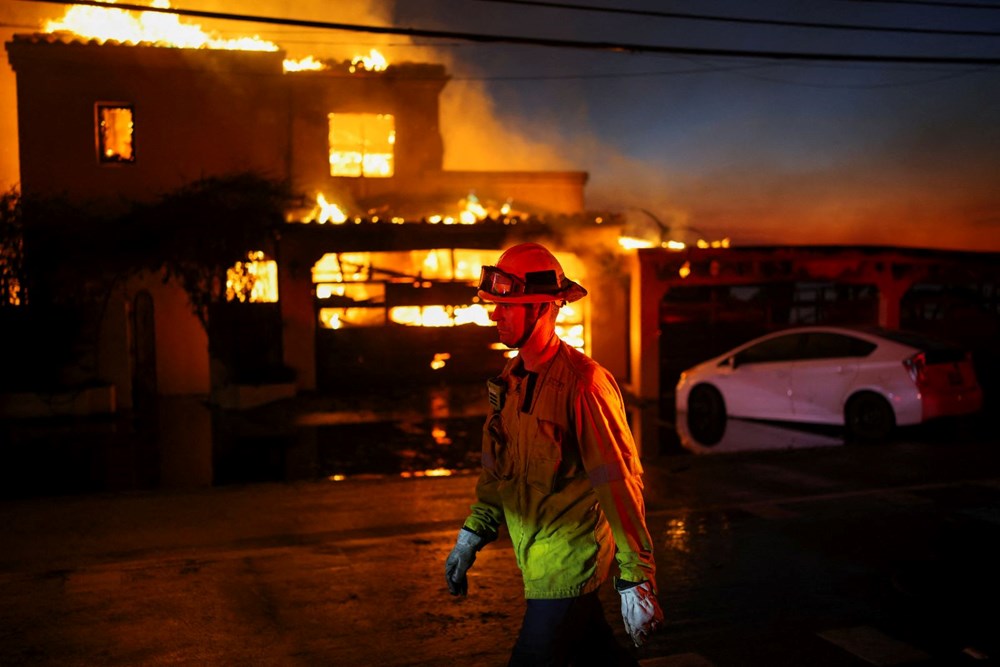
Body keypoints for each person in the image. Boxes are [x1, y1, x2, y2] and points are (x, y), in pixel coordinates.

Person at [445, 242, 664, 666]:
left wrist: (637, 577)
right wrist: (473, 533)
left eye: (508, 306)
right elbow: (497, 471)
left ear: (544, 308)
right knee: (595, 652)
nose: (495, 314)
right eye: (496, 305)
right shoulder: (510, 379)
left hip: (568, 564)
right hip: (536, 562)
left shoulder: (584, 384)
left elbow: (618, 482)